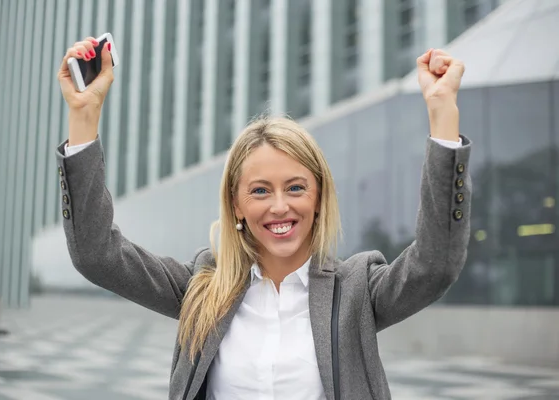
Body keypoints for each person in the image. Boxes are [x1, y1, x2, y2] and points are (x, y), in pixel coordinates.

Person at [56, 37, 471, 400]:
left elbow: (435, 264)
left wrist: (442, 115)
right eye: (259, 191)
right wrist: (84, 116)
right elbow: (96, 254)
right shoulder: (201, 288)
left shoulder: (357, 290)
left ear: (319, 196)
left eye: (295, 187)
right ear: (236, 204)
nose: (279, 207)